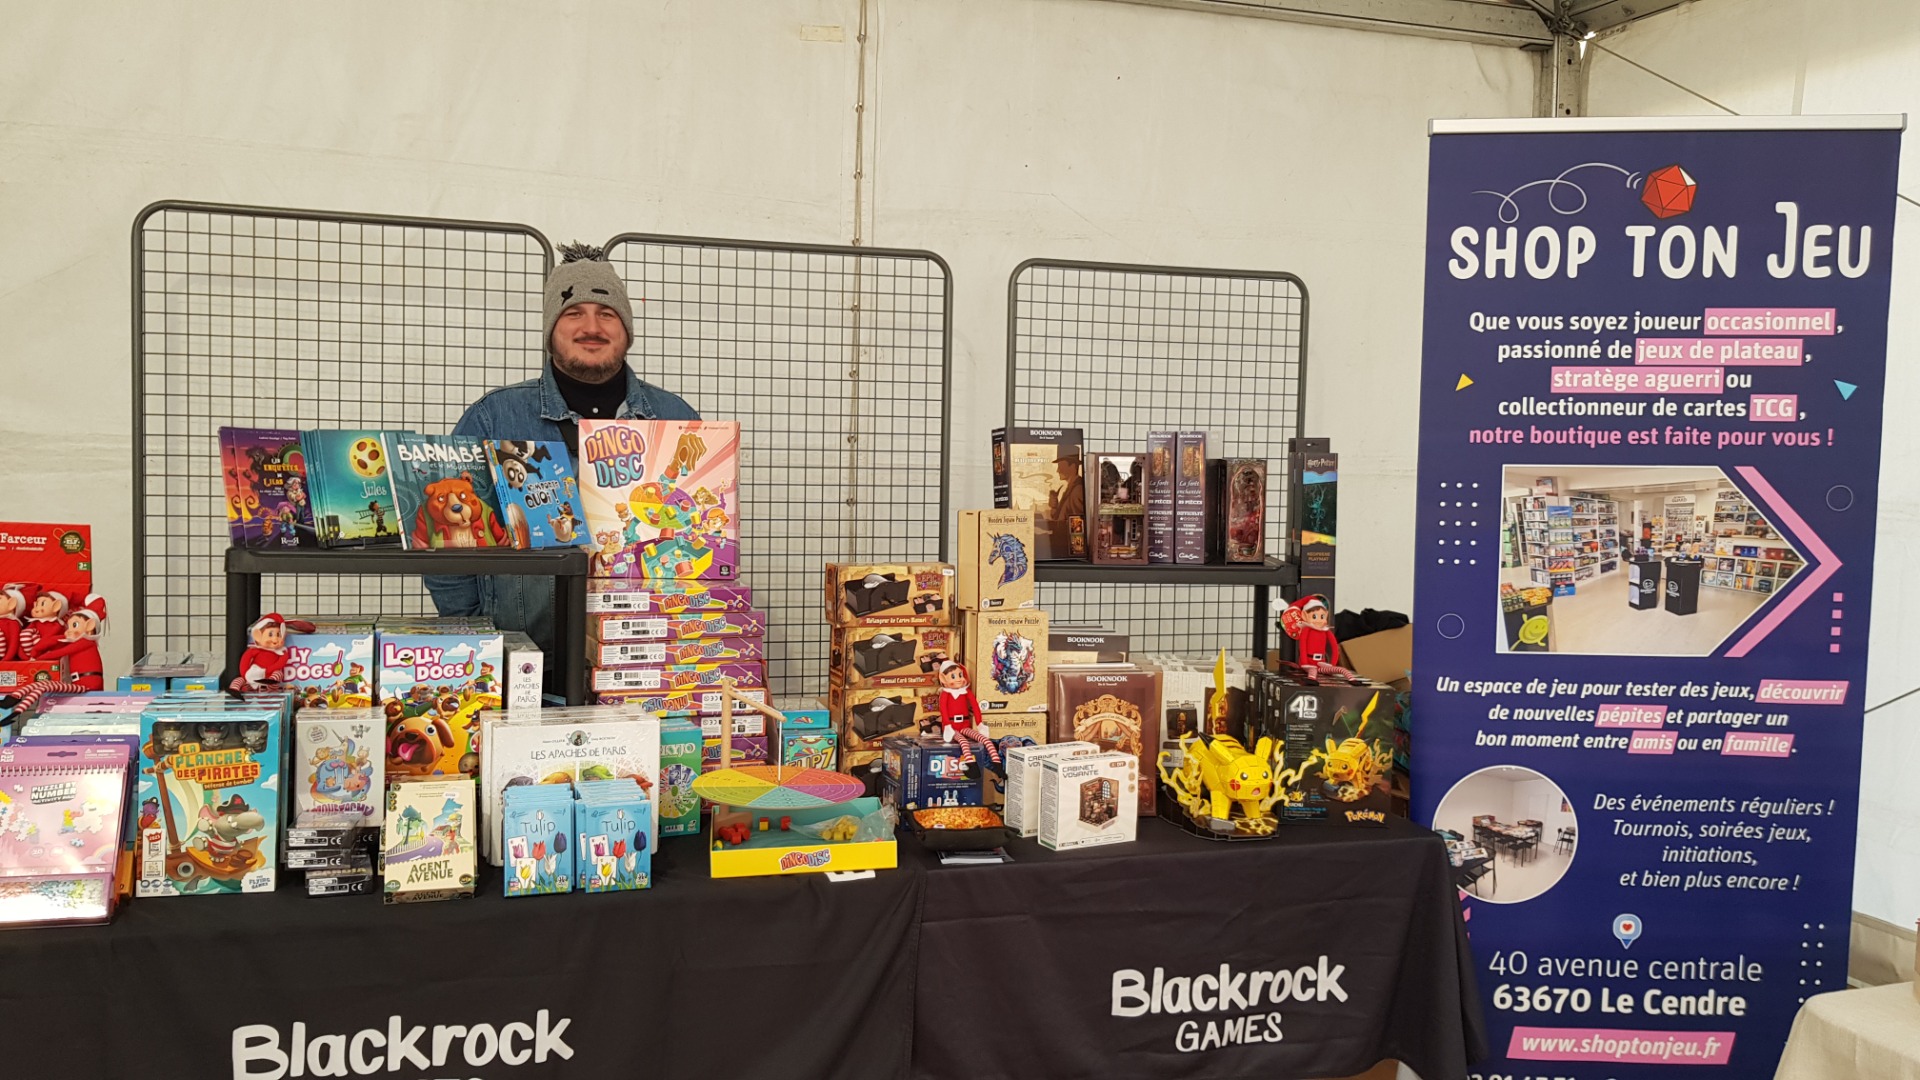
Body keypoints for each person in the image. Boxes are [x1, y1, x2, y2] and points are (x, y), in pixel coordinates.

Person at [424, 245, 698, 658]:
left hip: (648, 656)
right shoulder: (494, 418)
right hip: (525, 662)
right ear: (551, 329)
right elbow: (446, 543)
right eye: (574, 313)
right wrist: (482, 635)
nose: (592, 327)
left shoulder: (675, 418)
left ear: (626, 330)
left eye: (607, 314)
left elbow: (699, 533)